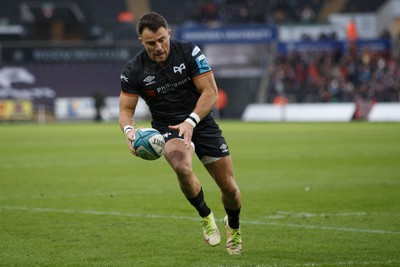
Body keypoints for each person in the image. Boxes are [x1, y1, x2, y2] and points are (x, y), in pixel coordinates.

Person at [118, 12, 242, 255]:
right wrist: (129, 131)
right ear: (141, 41)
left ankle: (234, 228)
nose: (159, 47)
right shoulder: (133, 69)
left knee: (229, 189)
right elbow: (125, 109)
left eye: (162, 40)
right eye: (151, 43)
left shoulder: (189, 52)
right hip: (167, 127)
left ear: (169, 33)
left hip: (201, 122)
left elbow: (210, 92)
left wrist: (191, 121)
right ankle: (206, 216)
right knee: (182, 168)